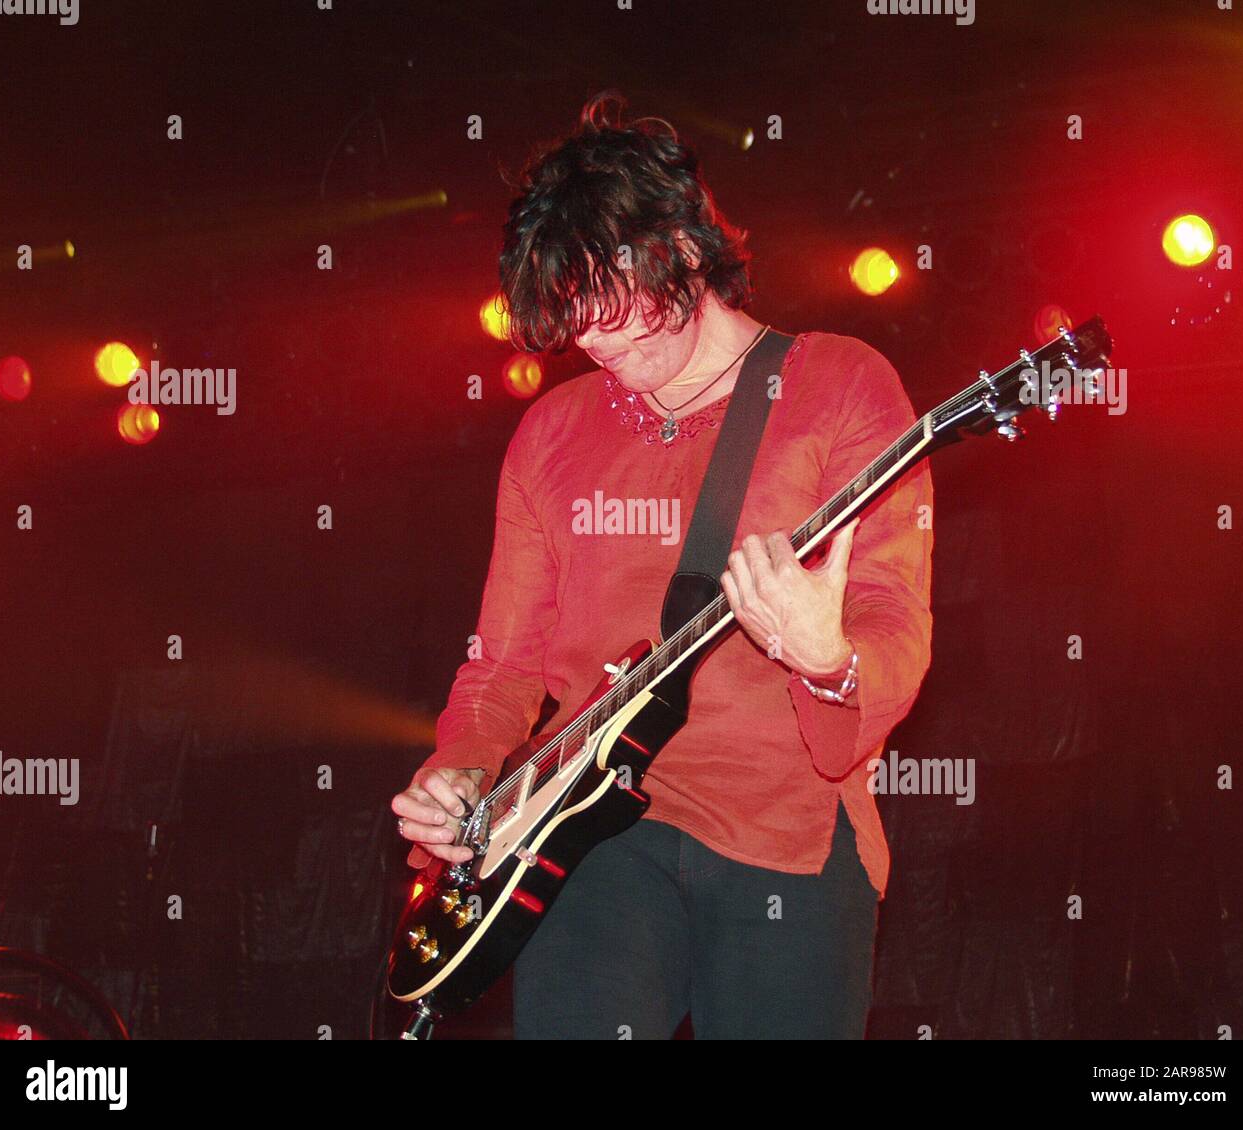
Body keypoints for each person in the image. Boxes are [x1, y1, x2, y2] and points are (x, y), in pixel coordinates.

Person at [391, 92, 933, 1039]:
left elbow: (894, 624)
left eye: (606, 301)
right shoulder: (550, 434)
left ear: (681, 251)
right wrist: (465, 774)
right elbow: (505, 666)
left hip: (786, 837)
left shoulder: (838, 384)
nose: (589, 337)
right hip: (590, 836)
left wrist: (826, 655)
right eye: (570, 313)